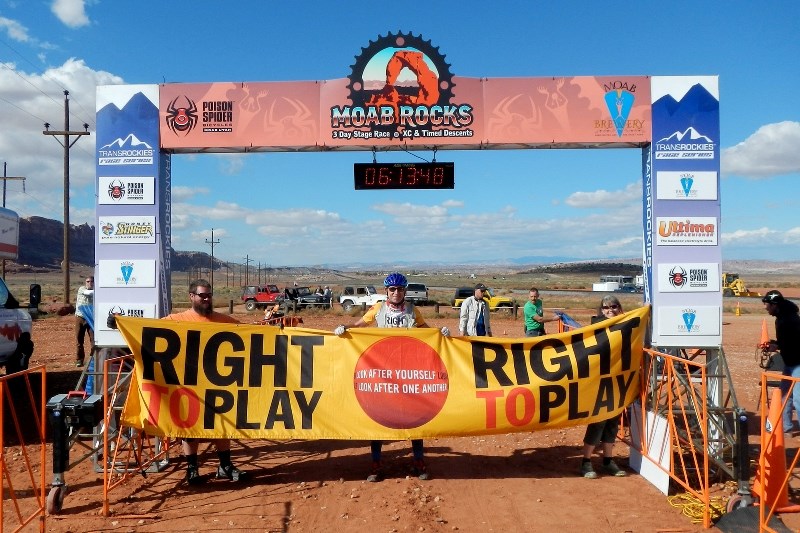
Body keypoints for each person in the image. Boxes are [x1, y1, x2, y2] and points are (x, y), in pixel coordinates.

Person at [334, 272, 450, 482]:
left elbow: (426, 331)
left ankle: (418, 461)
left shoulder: (412, 310)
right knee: (378, 418)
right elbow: (361, 325)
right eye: (392, 289)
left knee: (415, 416)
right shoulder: (378, 308)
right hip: (383, 372)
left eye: (400, 289)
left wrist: (440, 333)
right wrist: (346, 329)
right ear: (386, 291)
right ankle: (376, 464)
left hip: (407, 371)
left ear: (405, 291)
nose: (396, 293)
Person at [163, 279, 247, 485]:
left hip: (219, 383)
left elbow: (252, 336)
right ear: (191, 297)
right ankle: (192, 468)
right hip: (189, 383)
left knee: (221, 425)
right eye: (202, 295)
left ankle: (225, 466)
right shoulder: (176, 319)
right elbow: (146, 330)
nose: (207, 298)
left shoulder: (224, 320)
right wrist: (120, 323)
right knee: (190, 427)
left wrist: (279, 331)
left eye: (209, 295)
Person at [580, 295, 627, 479]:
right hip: (599, 381)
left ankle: (608, 460)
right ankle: (586, 462)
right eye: (606, 307)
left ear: (619, 307)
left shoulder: (625, 324)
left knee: (612, 422)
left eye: (614, 306)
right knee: (598, 421)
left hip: (618, 380)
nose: (610, 310)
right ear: (601, 309)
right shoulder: (596, 326)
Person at [762, 290, 800, 433]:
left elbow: (794, 343)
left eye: (768, 305)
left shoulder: (790, 320)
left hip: (798, 363)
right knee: (784, 395)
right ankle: (786, 427)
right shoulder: (782, 318)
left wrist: (776, 346)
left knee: (797, 398)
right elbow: (786, 341)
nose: (766, 308)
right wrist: (774, 344)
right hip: (790, 363)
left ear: (775, 305)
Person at [75, 275, 95, 367]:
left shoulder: (96, 291)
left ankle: (93, 359)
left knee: (94, 340)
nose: (89, 283)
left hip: (91, 318)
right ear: (85, 282)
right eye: (88, 281)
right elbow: (88, 293)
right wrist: (99, 291)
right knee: (79, 340)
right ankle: (79, 359)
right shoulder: (81, 289)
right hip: (80, 317)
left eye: (91, 281)